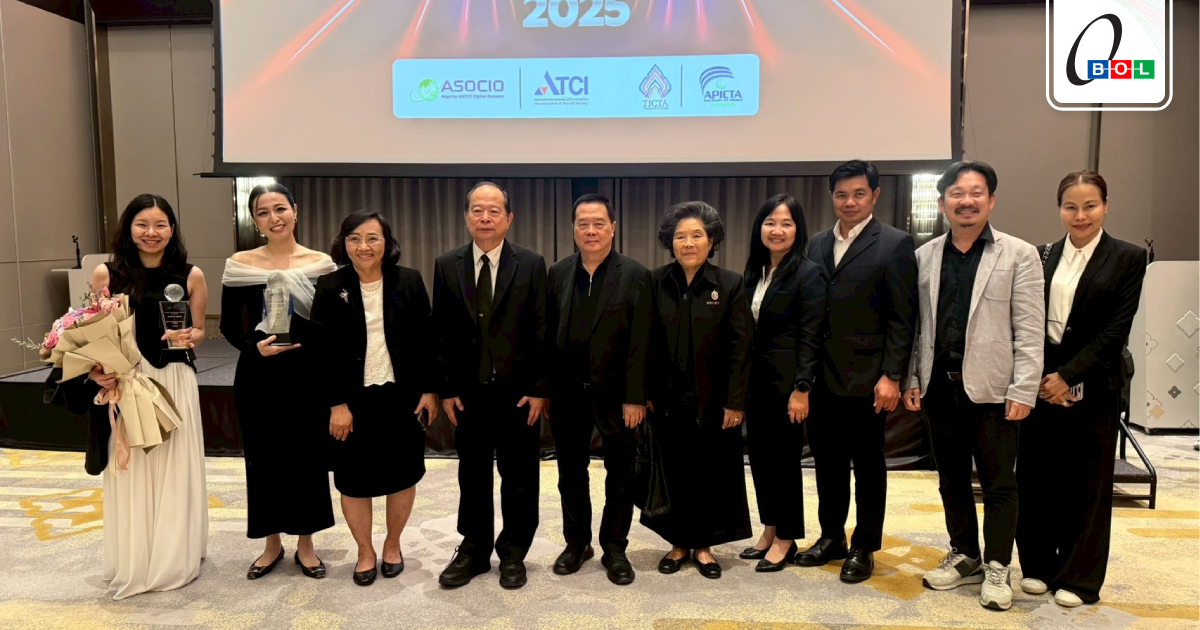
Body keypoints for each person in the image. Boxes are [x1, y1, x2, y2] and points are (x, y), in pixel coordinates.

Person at [902, 161, 1045, 611]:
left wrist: (1024, 388)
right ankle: (965, 554)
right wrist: (912, 378)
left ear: (992, 200)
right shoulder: (924, 256)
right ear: (943, 203)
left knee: (1000, 483)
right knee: (951, 480)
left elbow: (1030, 329)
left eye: (976, 193)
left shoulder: (1019, 254)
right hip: (939, 388)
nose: (967, 201)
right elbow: (917, 327)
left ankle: (999, 564)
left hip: (995, 392)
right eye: (957, 194)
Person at [1015, 170, 1146, 608]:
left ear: (1106, 206)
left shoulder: (1128, 257)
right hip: (1042, 382)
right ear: (1060, 209)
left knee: (1086, 483)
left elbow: (1115, 331)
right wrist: (1044, 377)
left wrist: (1069, 376)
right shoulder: (1041, 254)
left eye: (1090, 205)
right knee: (1036, 477)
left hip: (1094, 383)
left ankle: (1080, 578)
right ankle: (1037, 566)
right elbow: (1028, 320)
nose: (1080, 215)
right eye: (1071, 206)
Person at [85, 194, 209, 599]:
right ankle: (136, 557)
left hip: (174, 377)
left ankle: (175, 555)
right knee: (133, 467)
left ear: (172, 229)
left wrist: (191, 335)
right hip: (128, 381)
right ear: (129, 228)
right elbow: (92, 335)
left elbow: (200, 330)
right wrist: (98, 369)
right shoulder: (106, 274)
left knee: (174, 464)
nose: (151, 232)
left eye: (160, 224)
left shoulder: (191, 275)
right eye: (142, 224)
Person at [799, 160, 917, 583]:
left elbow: (903, 317)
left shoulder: (895, 243)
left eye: (859, 194)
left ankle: (864, 545)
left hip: (869, 379)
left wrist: (892, 375)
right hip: (821, 377)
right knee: (826, 462)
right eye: (842, 195)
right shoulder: (815, 243)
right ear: (832, 197)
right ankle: (831, 536)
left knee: (868, 465)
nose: (850, 202)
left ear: (875, 195)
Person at [310, 210, 439, 586]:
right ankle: (365, 551)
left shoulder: (408, 280)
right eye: (354, 239)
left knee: (402, 474)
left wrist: (430, 389)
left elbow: (428, 339)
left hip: (402, 396)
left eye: (372, 238)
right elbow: (321, 351)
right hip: (351, 402)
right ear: (343, 244)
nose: (363, 246)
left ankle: (393, 544)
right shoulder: (331, 285)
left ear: (387, 242)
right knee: (353, 479)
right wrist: (336, 404)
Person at [433, 182, 548, 589]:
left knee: (520, 476)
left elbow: (541, 329)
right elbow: (441, 333)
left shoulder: (531, 263)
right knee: (473, 476)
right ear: (466, 217)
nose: (485, 217)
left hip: (519, 395)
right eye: (477, 210)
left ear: (509, 218)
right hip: (469, 395)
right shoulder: (447, 264)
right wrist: (447, 389)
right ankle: (475, 550)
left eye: (494, 210)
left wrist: (538, 388)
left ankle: (514, 551)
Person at [220, 183, 338, 580]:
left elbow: (331, 325)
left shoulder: (321, 264)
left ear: (295, 211)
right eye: (264, 212)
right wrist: (254, 349)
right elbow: (228, 325)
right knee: (263, 459)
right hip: (259, 376)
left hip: (307, 375)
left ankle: (306, 544)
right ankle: (271, 543)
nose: (274, 218)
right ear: (255, 221)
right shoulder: (240, 264)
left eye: (280, 209)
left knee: (308, 459)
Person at [642, 201, 752, 580]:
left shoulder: (730, 283)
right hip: (667, 400)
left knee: (710, 474)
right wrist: (645, 391)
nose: (688, 243)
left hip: (714, 402)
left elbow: (741, 347)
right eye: (680, 237)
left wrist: (735, 401)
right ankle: (677, 543)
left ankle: (703, 546)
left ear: (711, 241)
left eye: (697, 235)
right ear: (670, 242)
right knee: (673, 472)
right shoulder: (654, 281)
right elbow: (643, 341)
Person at [546, 194, 651, 585]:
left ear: (613, 228)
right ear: (573, 228)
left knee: (620, 474)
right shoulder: (558, 272)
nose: (591, 231)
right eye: (583, 224)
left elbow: (642, 340)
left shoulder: (635, 274)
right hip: (567, 393)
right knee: (570, 474)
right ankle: (577, 544)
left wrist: (635, 396)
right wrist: (546, 389)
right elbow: (546, 336)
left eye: (599, 223)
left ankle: (615, 547)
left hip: (618, 396)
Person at [739, 194, 827, 572]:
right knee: (760, 461)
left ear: (797, 230)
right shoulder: (755, 272)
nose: (777, 230)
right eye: (770, 222)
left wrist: (802, 388)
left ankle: (787, 538)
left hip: (788, 386)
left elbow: (811, 335)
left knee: (785, 463)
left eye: (786, 223)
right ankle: (770, 528)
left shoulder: (808, 273)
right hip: (755, 384)